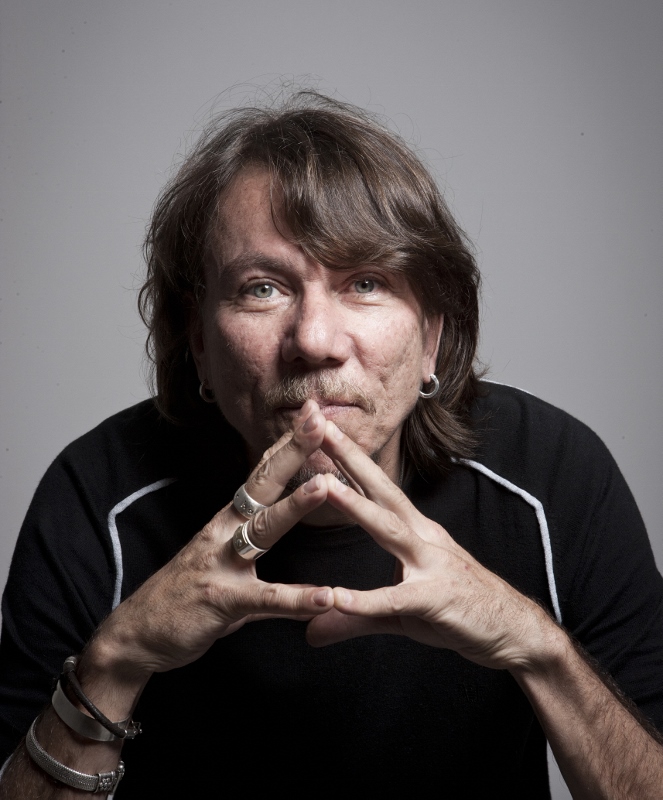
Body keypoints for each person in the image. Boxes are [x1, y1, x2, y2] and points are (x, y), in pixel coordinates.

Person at [0, 92, 662, 798]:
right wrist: (118, 659)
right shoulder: (99, 496)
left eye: (365, 282)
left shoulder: (550, 475)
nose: (314, 341)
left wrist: (536, 647)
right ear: (198, 344)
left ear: (432, 337)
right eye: (262, 289)